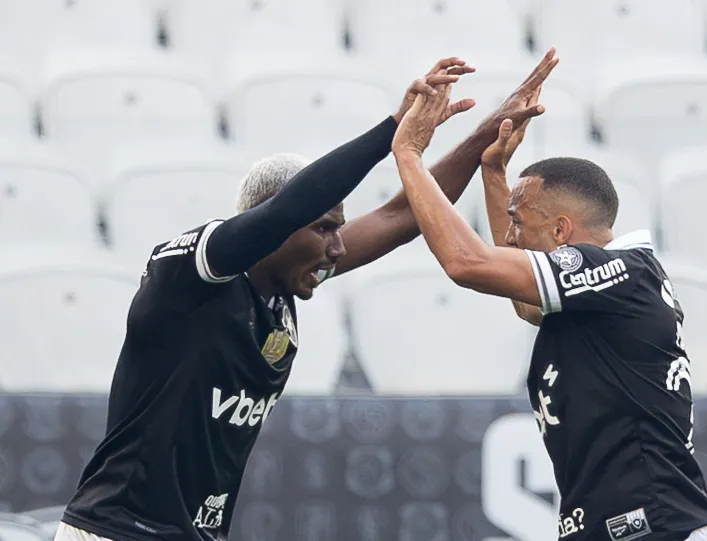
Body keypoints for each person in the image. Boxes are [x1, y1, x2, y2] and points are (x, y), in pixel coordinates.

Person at [54, 53, 559, 541]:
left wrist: (489, 132)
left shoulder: (282, 286)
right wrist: (393, 132)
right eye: (323, 228)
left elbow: (402, 216)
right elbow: (289, 208)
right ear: (274, 225)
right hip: (114, 530)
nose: (337, 247)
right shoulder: (187, 280)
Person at [390, 53, 707, 541]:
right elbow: (526, 304)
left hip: (660, 527)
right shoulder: (607, 291)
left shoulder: (620, 272)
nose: (510, 238)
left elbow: (467, 261)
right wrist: (493, 173)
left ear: (560, 231)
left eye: (518, 222)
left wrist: (408, 155)